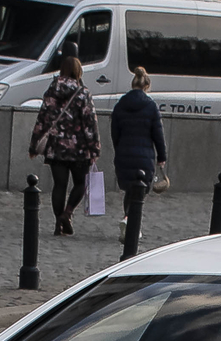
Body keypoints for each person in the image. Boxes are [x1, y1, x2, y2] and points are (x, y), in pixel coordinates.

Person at [29, 50, 100, 235]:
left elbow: (42, 119)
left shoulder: (51, 91)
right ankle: (67, 214)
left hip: (56, 147)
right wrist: (94, 148)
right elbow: (90, 123)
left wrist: (34, 145)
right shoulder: (83, 93)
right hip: (79, 148)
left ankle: (57, 223)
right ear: (78, 71)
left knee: (59, 185)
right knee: (80, 184)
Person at [110, 66, 168, 210]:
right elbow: (158, 135)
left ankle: (127, 218)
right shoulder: (151, 106)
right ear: (146, 86)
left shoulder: (120, 105)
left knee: (129, 190)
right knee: (140, 191)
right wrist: (162, 157)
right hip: (144, 157)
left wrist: (119, 149)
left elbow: (114, 133)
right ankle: (131, 223)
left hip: (124, 154)